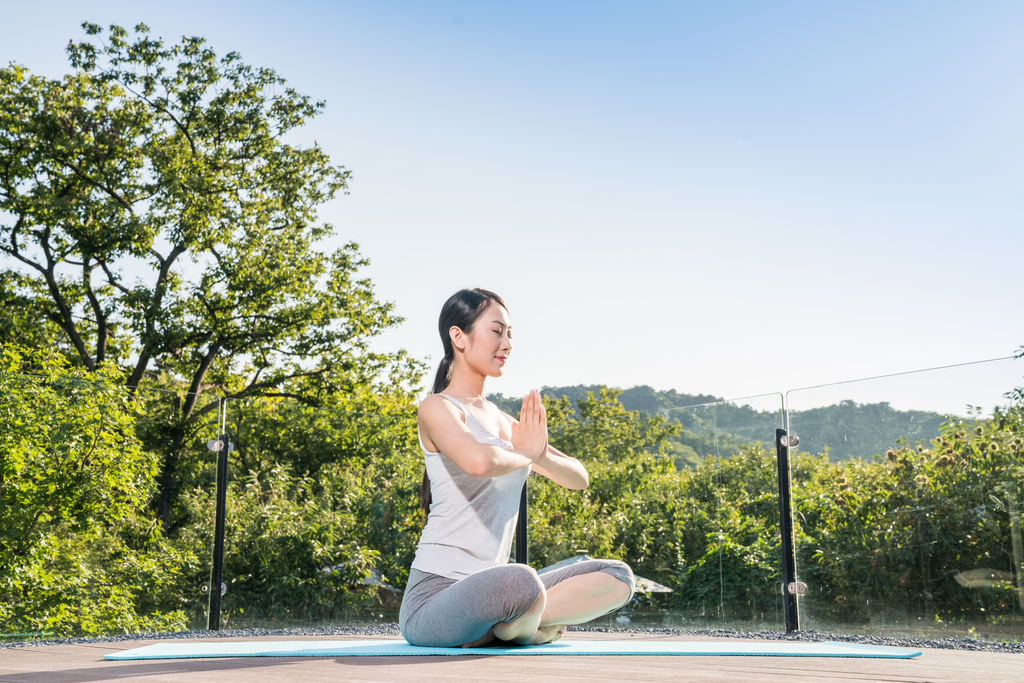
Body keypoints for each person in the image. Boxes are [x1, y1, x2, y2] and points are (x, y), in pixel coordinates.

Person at [399, 288, 635, 648]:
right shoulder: (437, 408)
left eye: (510, 334)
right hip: (434, 599)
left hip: (497, 589)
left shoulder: (505, 423)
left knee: (618, 576)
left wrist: (535, 452)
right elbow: (479, 462)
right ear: (458, 336)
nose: (507, 343)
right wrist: (526, 451)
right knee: (522, 581)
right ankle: (520, 626)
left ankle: (509, 628)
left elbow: (578, 478)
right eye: (497, 331)